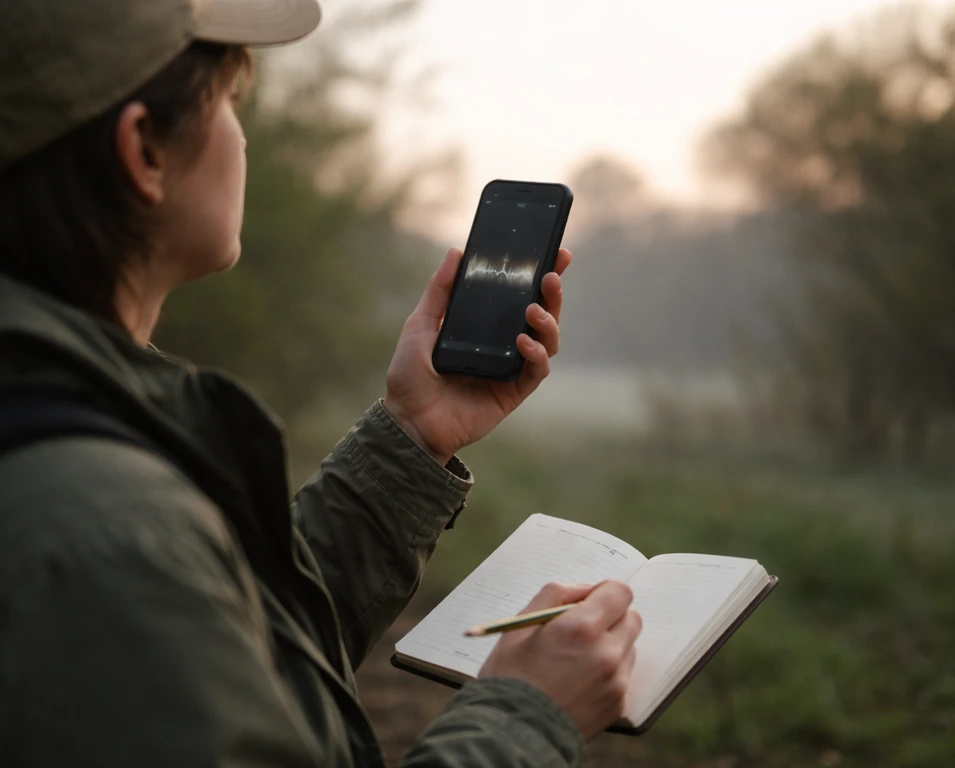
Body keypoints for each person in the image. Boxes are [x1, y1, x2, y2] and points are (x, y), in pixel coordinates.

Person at [0, 2, 643, 766]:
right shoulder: (108, 531)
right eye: (231, 103)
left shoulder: (61, 431)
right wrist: (527, 714)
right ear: (144, 150)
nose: (243, 137)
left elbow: (235, 650)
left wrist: (413, 435)